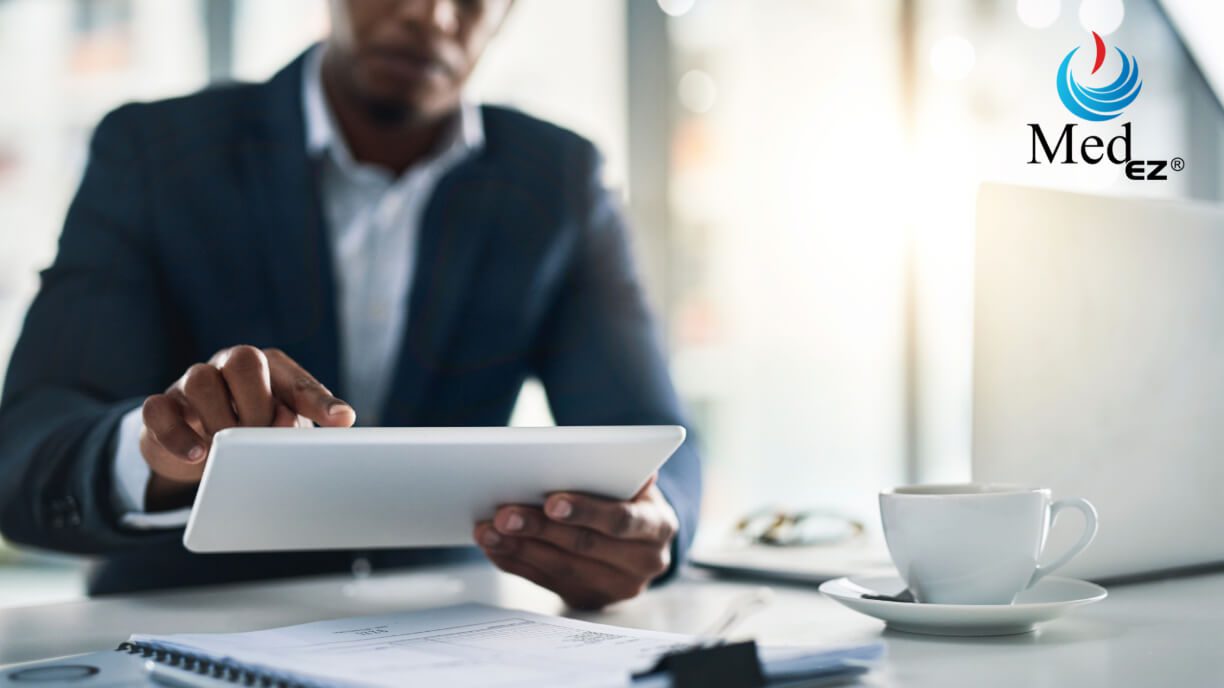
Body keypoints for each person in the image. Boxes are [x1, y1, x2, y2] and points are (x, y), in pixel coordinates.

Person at [0, 0, 700, 610]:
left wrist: (639, 532)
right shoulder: (153, 154)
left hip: (451, 638)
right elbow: (25, 453)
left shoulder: (559, 181)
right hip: (181, 628)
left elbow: (655, 442)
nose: (430, 14)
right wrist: (159, 452)